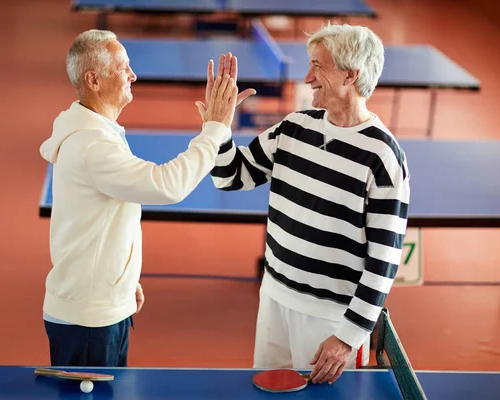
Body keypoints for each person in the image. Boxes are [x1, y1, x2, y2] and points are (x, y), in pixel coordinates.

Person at [203, 23, 411, 384]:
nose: (307, 77)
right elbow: (230, 176)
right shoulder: (293, 127)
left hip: (330, 318)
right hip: (274, 299)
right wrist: (218, 127)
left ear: (351, 75)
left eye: (318, 66)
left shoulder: (383, 157)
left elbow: (385, 260)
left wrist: (348, 336)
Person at [38, 29, 254, 367]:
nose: (133, 75)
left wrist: (122, 284)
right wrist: (215, 129)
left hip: (104, 306)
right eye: (123, 67)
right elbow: (167, 185)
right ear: (94, 80)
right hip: (89, 319)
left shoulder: (97, 132)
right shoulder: (93, 146)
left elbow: (105, 221)